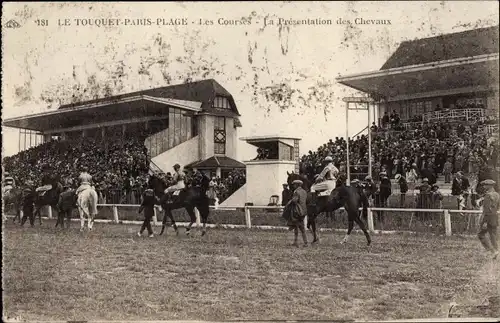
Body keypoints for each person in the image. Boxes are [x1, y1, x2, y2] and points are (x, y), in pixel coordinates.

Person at [477, 179, 499, 259]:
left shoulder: (488, 195)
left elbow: (486, 210)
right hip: (494, 217)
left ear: (490, 186)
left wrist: (485, 222)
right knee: (493, 236)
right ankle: (496, 251)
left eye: (485, 185)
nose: (484, 186)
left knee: (480, 234)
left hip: (488, 218)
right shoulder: (497, 194)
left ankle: (492, 251)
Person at [283, 179, 308, 247]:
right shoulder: (304, 191)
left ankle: (300, 242)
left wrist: (289, 202)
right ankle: (300, 242)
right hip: (303, 211)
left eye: (294, 184)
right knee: (299, 227)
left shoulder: (296, 192)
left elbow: (294, 201)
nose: (293, 185)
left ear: (297, 185)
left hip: (297, 211)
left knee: (298, 227)